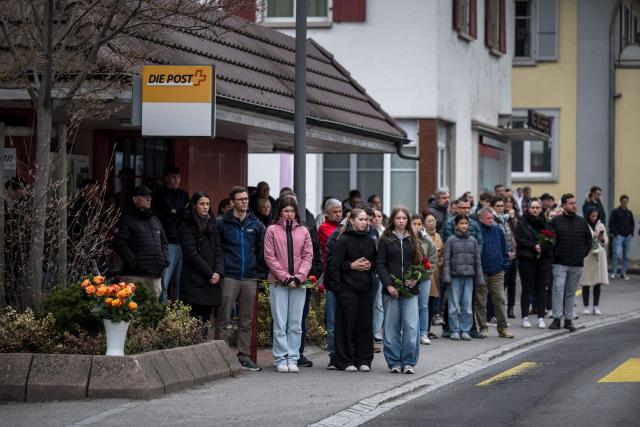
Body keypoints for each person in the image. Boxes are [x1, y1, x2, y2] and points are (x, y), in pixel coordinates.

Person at [215, 186, 266, 371]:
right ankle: (221, 356)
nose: (244, 201)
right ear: (232, 203)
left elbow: (261, 251)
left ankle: (244, 356)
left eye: (246, 198)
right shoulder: (221, 223)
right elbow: (217, 250)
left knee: (246, 320)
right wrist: (220, 271)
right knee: (223, 318)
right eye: (240, 199)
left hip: (250, 277)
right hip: (229, 276)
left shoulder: (256, 223)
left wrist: (259, 274)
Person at [263, 196, 313, 373]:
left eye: (292, 211)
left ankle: (293, 358)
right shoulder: (272, 230)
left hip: (299, 283)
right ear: (280, 212)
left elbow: (308, 256)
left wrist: (299, 277)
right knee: (280, 322)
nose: (289, 214)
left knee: (295, 323)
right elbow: (270, 257)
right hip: (278, 282)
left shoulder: (304, 231)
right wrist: (285, 277)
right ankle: (280, 358)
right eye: (286, 211)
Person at [376, 206, 423, 374]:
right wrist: (389, 285)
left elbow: (421, 263)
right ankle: (394, 362)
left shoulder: (414, 238)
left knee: (411, 326)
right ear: (393, 220)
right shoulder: (385, 239)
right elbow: (380, 265)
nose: (401, 221)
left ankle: (409, 362)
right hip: (391, 291)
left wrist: (416, 277)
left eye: (404, 218)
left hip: (411, 291)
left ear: (408, 220)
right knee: (391, 328)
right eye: (398, 218)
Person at [329, 208, 377, 372]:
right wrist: (350, 266)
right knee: (345, 326)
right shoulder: (343, 239)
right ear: (352, 221)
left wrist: (370, 265)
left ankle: (363, 359)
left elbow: (376, 263)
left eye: (366, 220)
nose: (365, 222)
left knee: (364, 326)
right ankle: (345, 360)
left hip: (365, 289)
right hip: (347, 289)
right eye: (361, 220)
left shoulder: (370, 240)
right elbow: (334, 265)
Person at [113, 185, 169, 299]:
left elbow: (164, 242)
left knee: (153, 313)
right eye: (144, 196)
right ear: (135, 199)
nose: (149, 199)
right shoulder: (126, 218)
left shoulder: (154, 219)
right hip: (135, 276)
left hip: (155, 276)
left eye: (149, 196)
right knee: (133, 313)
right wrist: (134, 262)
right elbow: (119, 242)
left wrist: (165, 259)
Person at [178, 192, 224, 328]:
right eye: (202, 204)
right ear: (194, 205)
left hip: (211, 282)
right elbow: (191, 254)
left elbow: (219, 251)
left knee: (205, 323)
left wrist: (218, 272)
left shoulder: (212, 223)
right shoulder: (187, 224)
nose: (205, 207)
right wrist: (210, 273)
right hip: (194, 280)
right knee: (193, 323)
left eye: (208, 204)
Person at [549, 194, 593, 332]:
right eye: (570, 203)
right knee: (558, 289)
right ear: (563, 205)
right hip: (560, 263)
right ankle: (556, 319)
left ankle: (568, 320)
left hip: (577, 263)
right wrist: (555, 253)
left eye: (575, 203)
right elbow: (550, 241)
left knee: (570, 292)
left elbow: (589, 241)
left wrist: (583, 253)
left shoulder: (581, 222)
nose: (574, 205)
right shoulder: (555, 222)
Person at [442, 214, 484, 341]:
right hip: (454, 277)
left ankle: (465, 330)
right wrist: (447, 276)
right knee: (453, 305)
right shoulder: (450, 240)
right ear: (456, 225)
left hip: (469, 277)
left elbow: (477, 261)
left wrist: (480, 278)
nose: (464, 226)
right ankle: (454, 330)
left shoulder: (473, 240)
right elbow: (446, 260)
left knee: (467, 306)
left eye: (466, 223)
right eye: (461, 223)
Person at [153, 167, 189, 302]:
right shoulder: (159, 195)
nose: (177, 180)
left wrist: (175, 211)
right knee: (165, 282)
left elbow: (186, 214)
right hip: (168, 241)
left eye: (178, 177)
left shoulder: (183, 194)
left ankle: (178, 314)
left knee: (181, 281)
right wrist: (177, 212)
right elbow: (165, 217)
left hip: (182, 241)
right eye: (174, 177)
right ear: (166, 178)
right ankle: (162, 312)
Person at [476, 208, 513, 338]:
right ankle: (483, 327)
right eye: (488, 218)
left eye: (492, 218)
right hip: (482, 271)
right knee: (480, 301)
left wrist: (503, 265)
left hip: (497, 271)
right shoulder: (477, 231)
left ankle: (503, 328)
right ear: (481, 219)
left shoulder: (498, 230)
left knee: (500, 300)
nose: (491, 220)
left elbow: (505, 249)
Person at [515, 199, 552, 329]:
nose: (535, 210)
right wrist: (533, 246)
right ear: (528, 209)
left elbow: (552, 239)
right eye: (533, 208)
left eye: (537, 207)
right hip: (527, 260)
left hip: (543, 260)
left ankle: (540, 317)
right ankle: (525, 316)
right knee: (527, 289)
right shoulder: (522, 222)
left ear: (541, 209)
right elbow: (520, 240)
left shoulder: (545, 223)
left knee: (541, 289)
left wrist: (543, 246)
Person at [411, 215, 437, 345]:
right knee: (410, 305)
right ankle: (411, 333)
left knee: (423, 305)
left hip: (424, 277)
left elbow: (432, 260)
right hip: (409, 277)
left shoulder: (427, 240)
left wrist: (423, 273)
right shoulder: (407, 238)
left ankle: (423, 333)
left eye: (419, 224)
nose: (416, 226)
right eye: (414, 223)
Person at [491, 196, 517, 319]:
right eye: (498, 206)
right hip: (501, 258)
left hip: (511, 256)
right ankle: (494, 314)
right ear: (493, 207)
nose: (501, 208)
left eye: (502, 206)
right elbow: (497, 241)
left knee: (511, 283)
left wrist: (513, 251)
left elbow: (511, 236)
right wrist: (506, 253)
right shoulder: (494, 220)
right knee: (499, 287)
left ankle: (509, 308)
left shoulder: (506, 219)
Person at [580, 207, 609, 315]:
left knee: (597, 282)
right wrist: (593, 235)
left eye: (596, 216)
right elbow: (582, 239)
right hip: (587, 255)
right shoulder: (584, 225)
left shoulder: (600, 225)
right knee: (586, 282)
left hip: (598, 255)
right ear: (588, 215)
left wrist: (601, 238)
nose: (594, 218)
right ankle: (586, 306)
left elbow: (606, 240)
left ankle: (596, 306)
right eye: (592, 216)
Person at [423, 210, 444, 335]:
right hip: (426, 272)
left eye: (433, 221)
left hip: (436, 273)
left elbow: (442, 252)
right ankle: (424, 329)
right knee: (425, 302)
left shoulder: (437, 236)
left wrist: (440, 261)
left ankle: (428, 329)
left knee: (432, 301)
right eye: (429, 221)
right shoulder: (422, 236)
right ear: (424, 223)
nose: (432, 223)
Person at [609, 195, 634, 280]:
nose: (625, 202)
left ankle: (623, 272)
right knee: (617, 253)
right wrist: (615, 233)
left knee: (626, 256)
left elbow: (632, 224)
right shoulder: (615, 211)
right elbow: (611, 223)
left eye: (626, 201)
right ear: (621, 201)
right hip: (618, 236)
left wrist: (631, 233)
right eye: (623, 201)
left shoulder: (629, 212)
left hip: (627, 237)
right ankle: (614, 272)